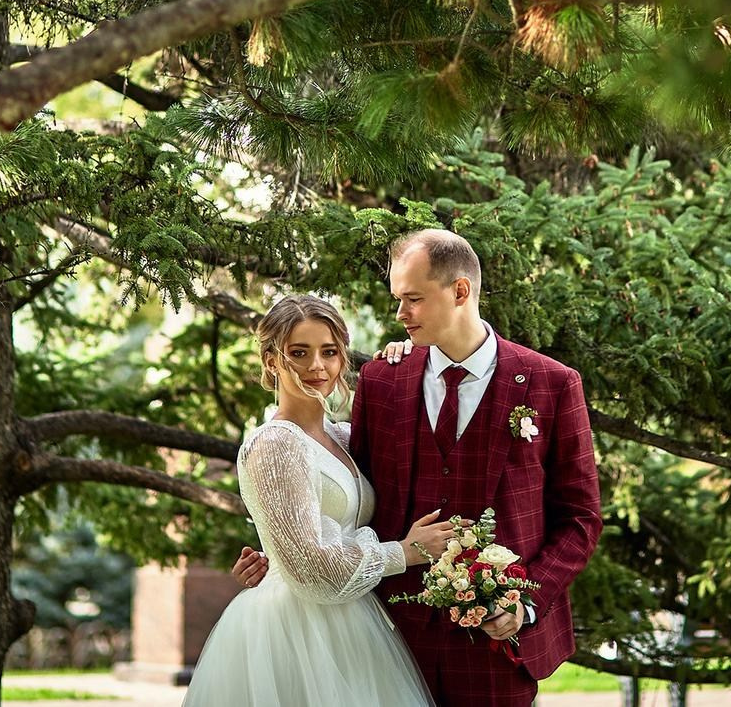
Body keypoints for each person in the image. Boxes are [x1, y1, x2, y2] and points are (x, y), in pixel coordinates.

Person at [234, 230, 603, 707]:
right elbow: (346, 496)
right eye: (397, 298)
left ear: (460, 291)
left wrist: (524, 600)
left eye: (412, 298)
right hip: (388, 639)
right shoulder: (382, 381)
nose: (399, 313)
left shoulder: (552, 384)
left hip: (495, 647)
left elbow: (580, 518)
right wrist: (279, 559)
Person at [183, 293, 456, 707]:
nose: (317, 366)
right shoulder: (276, 443)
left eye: (329, 352)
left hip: (353, 620)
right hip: (294, 629)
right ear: (272, 361)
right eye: (299, 352)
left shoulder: (341, 437)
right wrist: (407, 552)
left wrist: (399, 360)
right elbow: (311, 565)